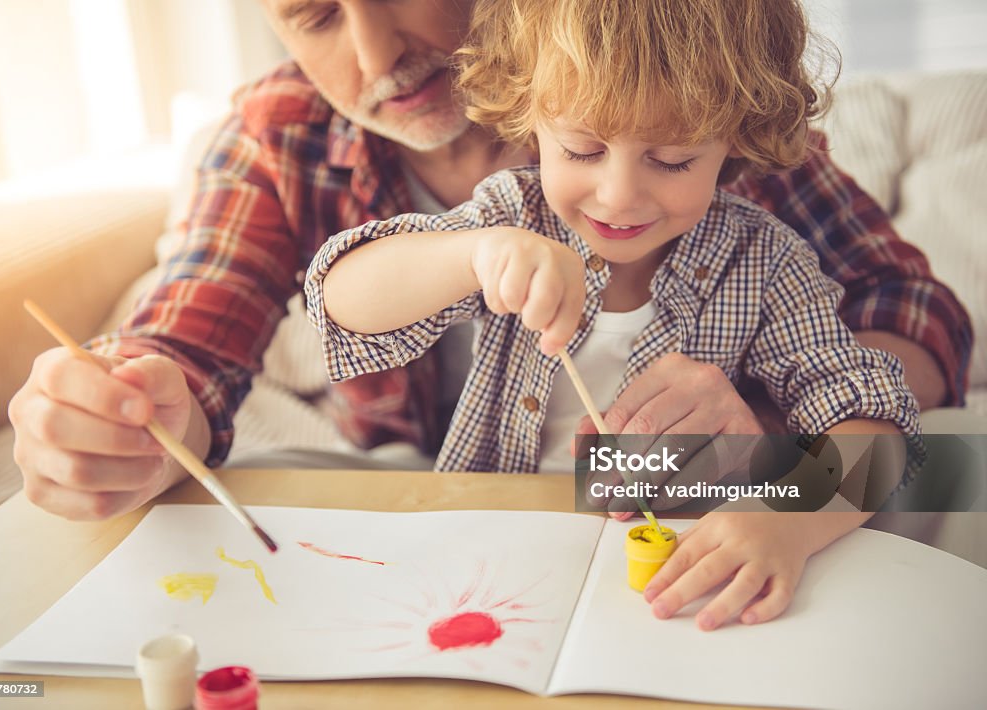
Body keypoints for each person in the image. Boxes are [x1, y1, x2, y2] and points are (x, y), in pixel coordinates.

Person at [7, 0, 969, 522]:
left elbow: (906, 318)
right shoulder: (282, 137)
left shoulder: (693, 81)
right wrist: (125, 410)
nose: (376, 52)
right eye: (314, 15)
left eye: (671, 161)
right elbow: (212, 339)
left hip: (673, 524)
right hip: (466, 521)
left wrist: (769, 442)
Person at [304, 0, 923, 629]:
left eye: (673, 160)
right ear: (531, 119)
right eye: (580, 150)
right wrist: (472, 255)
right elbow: (340, 300)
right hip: (491, 564)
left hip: (678, 575)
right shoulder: (510, 217)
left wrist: (788, 520)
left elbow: (877, 435)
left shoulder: (768, 262)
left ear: (736, 134)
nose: (619, 195)